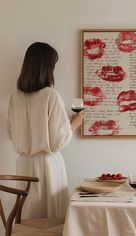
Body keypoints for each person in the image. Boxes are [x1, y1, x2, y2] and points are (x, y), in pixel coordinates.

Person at [4, 42, 84, 219]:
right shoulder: (50, 95)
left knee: (28, 217)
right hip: (48, 166)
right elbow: (57, 141)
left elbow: (11, 132)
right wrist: (73, 124)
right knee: (50, 220)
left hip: (24, 164)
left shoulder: (14, 96)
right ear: (46, 67)